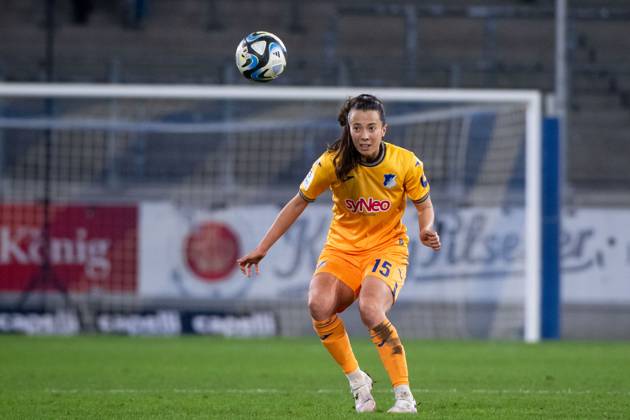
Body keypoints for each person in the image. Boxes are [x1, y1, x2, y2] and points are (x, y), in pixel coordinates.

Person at [237, 94, 441, 414]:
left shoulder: (406, 162)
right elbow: (298, 202)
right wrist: (263, 248)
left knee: (370, 309)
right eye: (357, 127)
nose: (364, 135)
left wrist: (426, 228)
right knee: (317, 304)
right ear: (348, 128)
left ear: (384, 129)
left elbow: (424, 204)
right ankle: (359, 382)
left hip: (387, 248)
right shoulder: (331, 161)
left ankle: (404, 397)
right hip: (342, 250)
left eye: (371, 127)